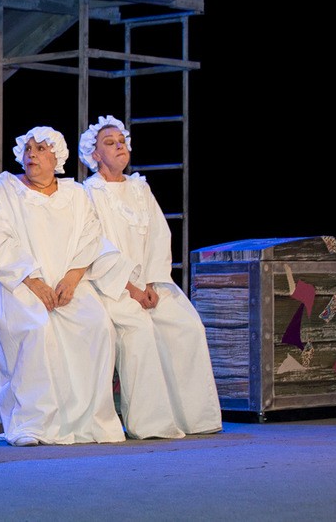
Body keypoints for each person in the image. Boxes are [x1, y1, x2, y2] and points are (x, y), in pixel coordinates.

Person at [0, 126, 132, 446]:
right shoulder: (7, 189)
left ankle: (89, 421)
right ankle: (33, 423)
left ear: (56, 157)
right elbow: (0, 241)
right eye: (28, 149)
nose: (31, 154)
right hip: (23, 285)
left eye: (40, 149)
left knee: (98, 326)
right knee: (37, 330)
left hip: (68, 285)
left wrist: (72, 279)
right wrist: (35, 282)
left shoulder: (74, 194)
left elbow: (90, 237)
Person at [79, 115, 221, 439]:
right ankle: (150, 423)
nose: (119, 146)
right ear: (95, 154)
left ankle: (194, 417)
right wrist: (130, 287)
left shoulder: (140, 188)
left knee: (186, 325)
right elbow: (95, 246)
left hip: (150, 283)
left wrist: (154, 281)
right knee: (139, 331)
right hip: (112, 287)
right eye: (110, 143)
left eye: (122, 141)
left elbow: (159, 235)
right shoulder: (89, 193)